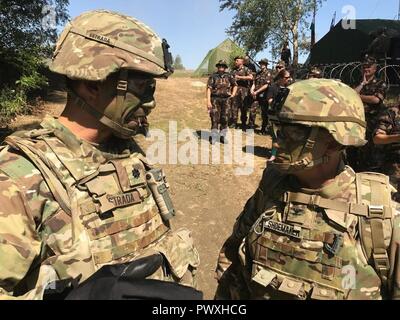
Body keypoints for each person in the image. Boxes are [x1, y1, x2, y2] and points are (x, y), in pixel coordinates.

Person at [0, 10, 200, 300]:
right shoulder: (19, 175)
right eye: (142, 87)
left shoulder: (127, 152)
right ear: (92, 83)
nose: (151, 102)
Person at [215, 79, 400, 300]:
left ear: (334, 142)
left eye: (292, 133)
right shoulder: (272, 187)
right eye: (278, 130)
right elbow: (233, 258)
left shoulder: (379, 213)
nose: (277, 142)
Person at [349, 54, 388, 172]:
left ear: (375, 68)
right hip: (357, 121)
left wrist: (357, 96)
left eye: (369, 67)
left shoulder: (381, 83)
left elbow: (376, 99)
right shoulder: (357, 82)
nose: (366, 69)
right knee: (353, 150)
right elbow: (350, 95)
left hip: (372, 123)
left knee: (370, 152)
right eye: (364, 67)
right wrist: (362, 84)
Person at [374, 101, 400, 202]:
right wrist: (397, 138)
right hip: (394, 167)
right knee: (391, 200)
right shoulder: (391, 113)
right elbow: (377, 138)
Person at [207, 60, 238, 144]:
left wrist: (233, 94)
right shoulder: (213, 76)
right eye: (220, 66)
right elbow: (209, 89)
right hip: (215, 100)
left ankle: (222, 137)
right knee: (214, 118)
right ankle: (213, 137)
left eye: (223, 66)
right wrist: (208, 101)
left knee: (225, 119)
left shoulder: (229, 76)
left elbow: (235, 85)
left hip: (226, 100)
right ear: (217, 67)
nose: (221, 67)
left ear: (225, 67)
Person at [266, 69, 292, 162]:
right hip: (275, 114)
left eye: (289, 77)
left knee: (286, 134)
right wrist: (276, 102)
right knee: (276, 135)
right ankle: (273, 154)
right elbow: (269, 100)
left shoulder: (289, 87)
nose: (288, 79)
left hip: (286, 114)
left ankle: (284, 154)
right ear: (281, 78)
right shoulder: (273, 87)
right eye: (286, 77)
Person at [230, 56, 254, 130]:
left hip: (244, 91)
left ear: (241, 61)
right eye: (235, 61)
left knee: (244, 108)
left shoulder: (247, 69)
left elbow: (251, 77)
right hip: (235, 90)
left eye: (237, 60)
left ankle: (243, 123)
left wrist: (240, 77)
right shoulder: (233, 70)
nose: (235, 62)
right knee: (234, 107)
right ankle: (234, 123)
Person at [249, 59, 272, 133]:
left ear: (266, 65)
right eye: (261, 63)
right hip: (256, 96)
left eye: (263, 64)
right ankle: (250, 127)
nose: (262, 65)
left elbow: (266, 85)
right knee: (252, 110)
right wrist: (252, 90)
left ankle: (263, 129)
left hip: (264, 96)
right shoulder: (258, 73)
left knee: (264, 113)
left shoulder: (268, 73)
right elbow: (254, 83)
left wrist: (256, 92)